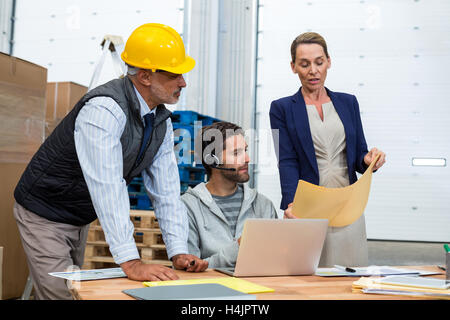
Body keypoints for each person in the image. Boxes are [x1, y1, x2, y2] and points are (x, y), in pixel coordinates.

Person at [13, 23, 208, 300]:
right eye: (175, 74)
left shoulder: (160, 121)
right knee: (61, 296)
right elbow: (108, 186)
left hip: (78, 215)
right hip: (45, 211)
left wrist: (178, 251)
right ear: (144, 76)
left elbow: (166, 193)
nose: (183, 82)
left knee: (71, 290)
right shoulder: (104, 109)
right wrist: (130, 261)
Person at [269, 32, 386, 267]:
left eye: (319, 62)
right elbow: (287, 160)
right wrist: (292, 204)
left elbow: (358, 157)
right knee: (312, 276)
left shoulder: (348, 102)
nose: (313, 70)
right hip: (309, 207)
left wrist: (370, 159)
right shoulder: (281, 108)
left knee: (352, 276)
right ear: (293, 67)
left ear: (328, 62)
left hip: (348, 206)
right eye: (304, 64)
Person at [181, 122, 278, 268]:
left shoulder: (263, 205)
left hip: (259, 288)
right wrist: (239, 248)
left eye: (245, 150)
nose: (247, 158)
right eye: (236, 153)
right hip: (211, 289)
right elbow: (189, 269)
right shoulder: (188, 207)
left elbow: (276, 261)